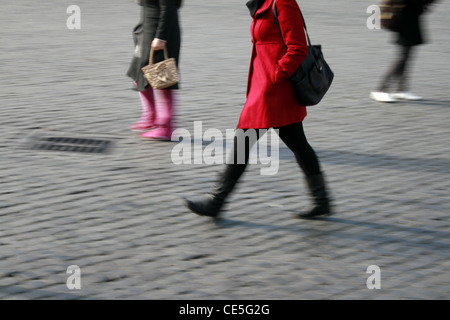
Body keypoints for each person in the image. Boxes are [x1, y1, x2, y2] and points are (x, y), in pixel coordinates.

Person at [183, 0, 332, 219]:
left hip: (274, 90)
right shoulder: (264, 3)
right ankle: (322, 201)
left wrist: (277, 74)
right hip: (264, 87)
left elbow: (298, 47)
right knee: (298, 144)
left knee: (244, 142)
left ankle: (217, 202)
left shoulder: (282, 3)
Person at [127, 0, 182, 140]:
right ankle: (150, 116)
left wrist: (161, 38)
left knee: (162, 80)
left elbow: (168, 9)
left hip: (161, 35)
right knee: (138, 73)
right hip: (147, 30)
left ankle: (166, 127)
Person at [370, 0, 436, 103]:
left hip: (412, 15)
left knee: (407, 55)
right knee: (403, 57)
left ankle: (401, 89)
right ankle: (380, 89)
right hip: (403, 16)